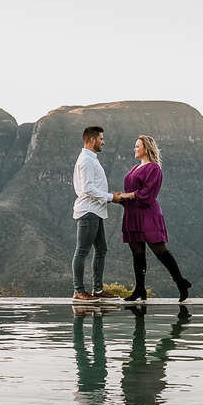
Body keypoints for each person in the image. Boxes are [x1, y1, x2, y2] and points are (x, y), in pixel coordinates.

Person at [116, 135, 191, 302]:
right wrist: (118, 198)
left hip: (147, 214)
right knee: (137, 253)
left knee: (160, 251)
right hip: (132, 214)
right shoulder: (135, 168)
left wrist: (127, 195)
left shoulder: (154, 168)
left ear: (146, 148)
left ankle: (180, 282)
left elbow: (148, 194)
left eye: (138, 146)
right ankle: (140, 289)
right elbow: (129, 191)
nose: (135, 148)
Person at [72, 126, 122, 302]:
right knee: (82, 251)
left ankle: (98, 290)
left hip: (95, 211)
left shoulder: (90, 158)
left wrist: (110, 196)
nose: (103, 142)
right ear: (92, 140)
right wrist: (110, 197)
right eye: (101, 139)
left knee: (101, 249)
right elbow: (88, 188)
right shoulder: (87, 160)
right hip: (88, 211)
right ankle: (79, 291)